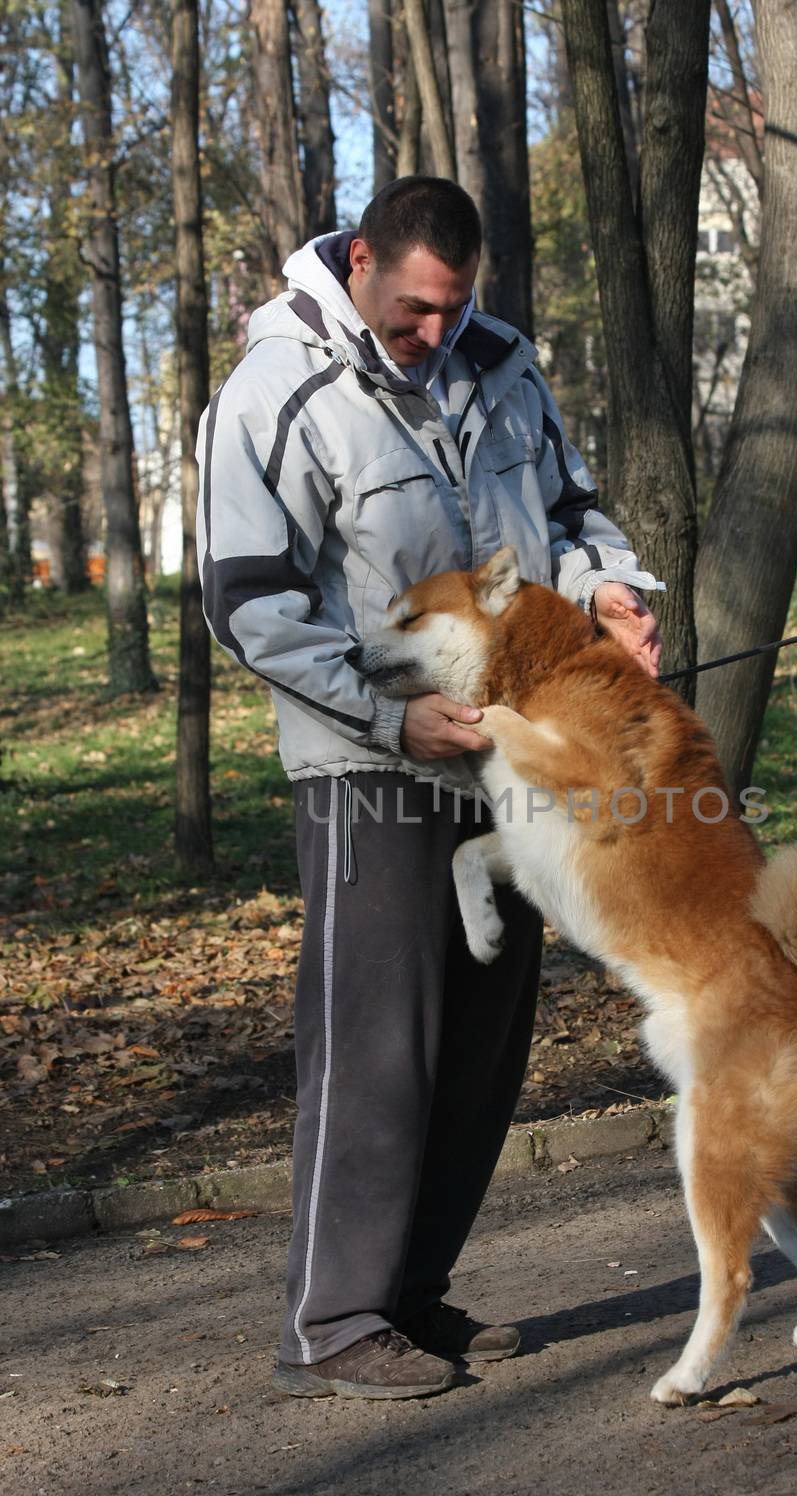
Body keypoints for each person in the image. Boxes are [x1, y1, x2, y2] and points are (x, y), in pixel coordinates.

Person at [197, 176, 663, 1401]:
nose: (431, 335)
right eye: (411, 312)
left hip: (510, 753)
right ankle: (332, 1316)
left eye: (450, 312)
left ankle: (408, 1296)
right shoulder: (276, 391)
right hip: (369, 763)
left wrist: (609, 591)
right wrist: (386, 714)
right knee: (375, 1047)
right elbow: (246, 602)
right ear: (359, 263)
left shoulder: (501, 368)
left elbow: (570, 513)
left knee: (480, 1047)